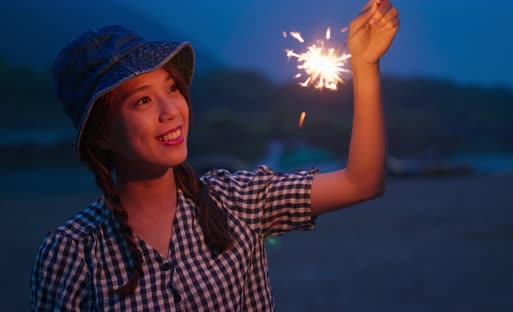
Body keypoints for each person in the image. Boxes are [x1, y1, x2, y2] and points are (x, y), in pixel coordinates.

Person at [30, 0, 399, 310]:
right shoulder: (71, 252)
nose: (170, 110)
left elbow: (362, 181)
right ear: (103, 134)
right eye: (142, 100)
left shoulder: (237, 201)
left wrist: (364, 66)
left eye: (171, 88)